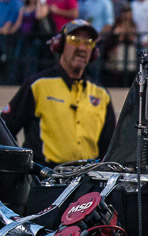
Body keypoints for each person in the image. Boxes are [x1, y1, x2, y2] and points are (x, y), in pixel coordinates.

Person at [1, 20, 116, 167]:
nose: (82, 47)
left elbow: (111, 148)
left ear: (94, 52)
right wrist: (20, 167)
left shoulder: (102, 94)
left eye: (88, 43)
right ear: (59, 44)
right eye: (74, 40)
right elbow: (5, 129)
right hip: (45, 182)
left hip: (86, 184)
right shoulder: (38, 85)